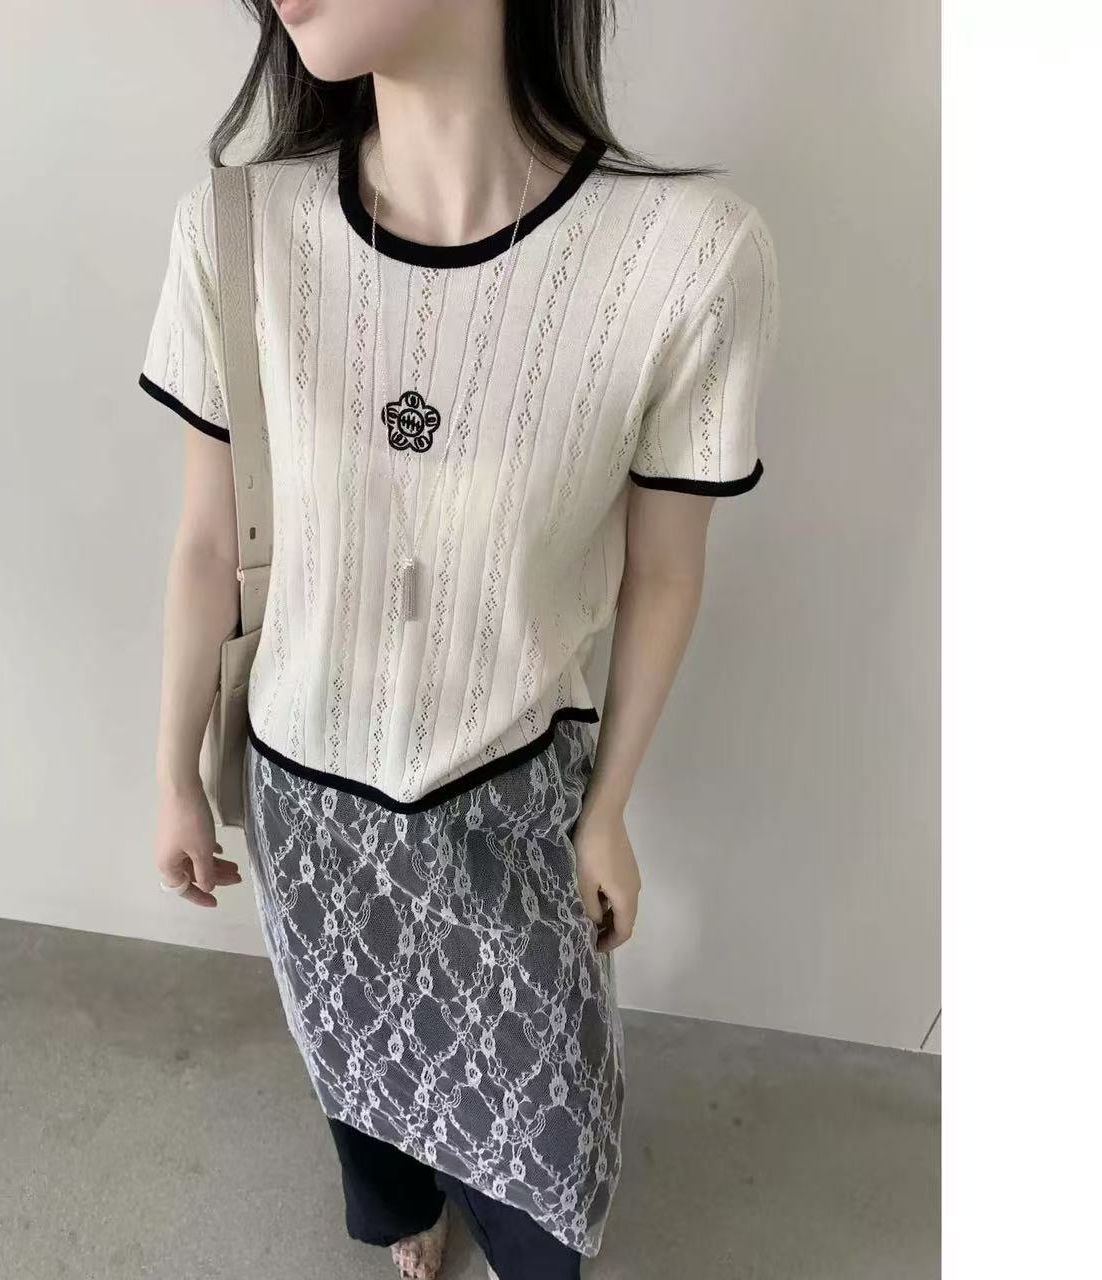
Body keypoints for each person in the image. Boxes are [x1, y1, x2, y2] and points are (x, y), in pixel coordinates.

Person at [140, 1, 779, 1276]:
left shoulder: (685, 258)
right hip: (303, 794)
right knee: (351, 1057)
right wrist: (171, 772)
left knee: (547, 1139)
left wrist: (608, 807)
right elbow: (210, 542)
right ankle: (398, 1211)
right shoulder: (236, 230)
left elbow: (664, 571)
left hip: (510, 796)